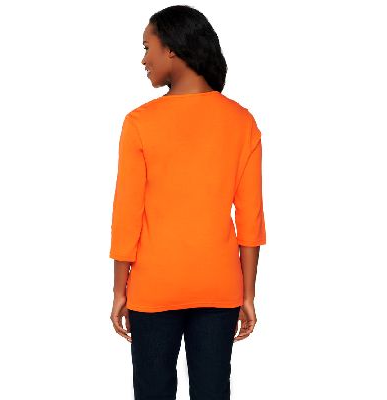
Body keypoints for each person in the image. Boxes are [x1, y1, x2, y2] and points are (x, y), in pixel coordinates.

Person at [109, 5, 266, 399]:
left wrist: (119, 291)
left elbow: (126, 216)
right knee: (213, 392)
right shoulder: (241, 121)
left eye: (147, 47)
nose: (144, 59)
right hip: (220, 288)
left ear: (172, 49)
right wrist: (247, 294)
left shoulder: (140, 122)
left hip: (153, 288)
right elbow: (251, 218)